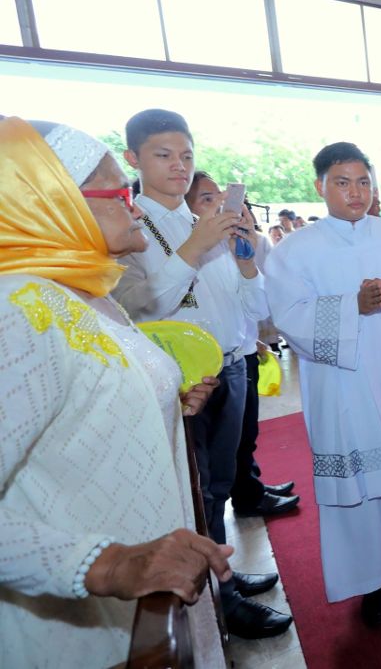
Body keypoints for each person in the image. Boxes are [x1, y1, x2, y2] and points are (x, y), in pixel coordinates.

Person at [0, 117, 230, 668]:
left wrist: (161, 401)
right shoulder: (18, 310)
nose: (135, 208)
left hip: (146, 601)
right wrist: (105, 566)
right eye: (120, 192)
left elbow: (81, 404)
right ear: (52, 203)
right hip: (86, 623)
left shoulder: (80, 294)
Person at [112, 109, 291, 639]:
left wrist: (242, 260)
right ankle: (218, 599)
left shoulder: (200, 223)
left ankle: (224, 578)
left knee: (218, 484)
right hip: (181, 383)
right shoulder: (132, 227)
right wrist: (195, 246)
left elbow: (252, 303)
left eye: (186, 155)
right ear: (133, 159)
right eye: (163, 155)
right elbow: (141, 310)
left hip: (230, 367)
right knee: (196, 494)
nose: (179, 166)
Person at [265, 142, 381, 628]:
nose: (356, 192)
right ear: (319, 186)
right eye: (343, 182)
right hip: (342, 386)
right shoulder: (295, 250)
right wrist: (353, 306)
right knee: (360, 486)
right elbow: (288, 315)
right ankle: (373, 577)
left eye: (363, 181)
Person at [185, 173, 301, 520]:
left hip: (241, 349)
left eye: (219, 198)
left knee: (245, 434)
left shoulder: (227, 245)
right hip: (208, 365)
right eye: (207, 199)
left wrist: (254, 341)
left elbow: (248, 304)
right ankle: (246, 496)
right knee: (220, 456)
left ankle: (250, 488)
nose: (219, 206)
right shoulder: (189, 250)